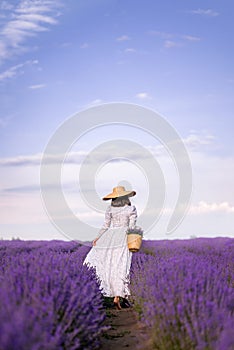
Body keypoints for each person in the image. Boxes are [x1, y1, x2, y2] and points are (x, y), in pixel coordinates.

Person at [83, 185, 137, 310]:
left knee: (109, 265)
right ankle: (117, 296)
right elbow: (132, 226)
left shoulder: (110, 209)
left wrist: (98, 238)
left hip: (110, 237)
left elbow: (106, 225)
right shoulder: (131, 209)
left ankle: (111, 293)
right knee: (121, 265)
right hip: (123, 237)